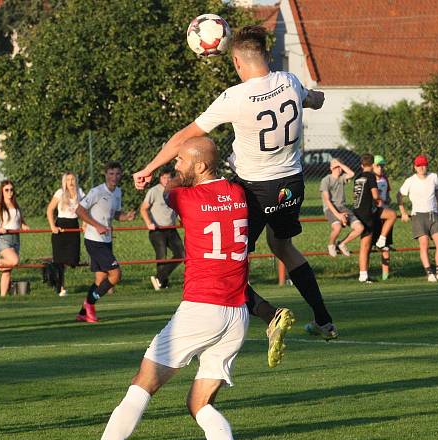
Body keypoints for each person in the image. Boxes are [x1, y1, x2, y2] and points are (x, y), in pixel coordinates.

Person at [59, 137, 293, 440]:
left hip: (201, 309)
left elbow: (170, 188)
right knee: (198, 402)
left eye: (182, 161)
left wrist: (149, 171)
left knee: (142, 384)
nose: (176, 167)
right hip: (236, 315)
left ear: (200, 166)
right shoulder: (238, 194)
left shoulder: (182, 196)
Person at [132, 25, 337, 341]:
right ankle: (323, 319)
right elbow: (314, 99)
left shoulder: (235, 97)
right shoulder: (289, 81)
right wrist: (317, 98)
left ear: (238, 63)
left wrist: (149, 167)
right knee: (282, 245)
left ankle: (270, 315)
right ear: (265, 55)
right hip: (292, 185)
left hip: (255, 190)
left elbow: (185, 137)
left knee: (228, 263)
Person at [75, 162, 136, 323]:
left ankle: (82, 313)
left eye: (117, 174)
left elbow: (116, 214)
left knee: (100, 279)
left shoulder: (118, 192)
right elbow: (79, 210)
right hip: (94, 240)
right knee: (116, 274)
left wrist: (126, 217)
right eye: (111, 173)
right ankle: (90, 303)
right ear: (105, 174)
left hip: (106, 240)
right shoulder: (96, 191)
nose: (114, 177)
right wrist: (97, 225)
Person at [397, 155, 438, 282]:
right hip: (418, 215)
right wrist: (403, 212)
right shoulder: (410, 181)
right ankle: (429, 273)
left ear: (427, 165)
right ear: (415, 167)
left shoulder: (433, 177)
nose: (421, 167)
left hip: (434, 213)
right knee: (424, 244)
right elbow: (399, 195)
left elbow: (437, 192)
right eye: (419, 165)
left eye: (424, 165)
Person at [140, 168, 185, 290]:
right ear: (160, 178)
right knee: (162, 255)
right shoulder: (154, 191)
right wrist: (149, 223)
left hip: (171, 228)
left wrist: (182, 220)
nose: (167, 180)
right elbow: (143, 208)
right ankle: (162, 283)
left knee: (181, 254)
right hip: (157, 229)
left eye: (169, 178)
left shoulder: (174, 191)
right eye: (164, 178)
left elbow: (177, 209)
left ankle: (159, 278)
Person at [46, 173, 85, 296]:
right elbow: (50, 209)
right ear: (65, 182)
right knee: (60, 260)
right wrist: (53, 226)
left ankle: (53, 277)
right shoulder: (60, 193)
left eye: (73, 179)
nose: (71, 182)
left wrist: (85, 224)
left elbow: (86, 209)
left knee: (72, 258)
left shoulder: (80, 193)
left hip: (74, 225)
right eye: (68, 180)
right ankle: (60, 287)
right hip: (61, 225)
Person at [0, 179, 30, 297]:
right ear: (2, 192)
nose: (10, 192)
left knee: (7, 270)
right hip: (3, 238)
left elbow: (20, 221)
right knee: (14, 261)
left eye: (11, 190)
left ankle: (3, 297)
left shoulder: (16, 205)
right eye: (7, 190)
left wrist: (24, 225)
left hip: (15, 238)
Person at [319, 158, 363, 257]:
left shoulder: (342, 178)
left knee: (359, 228)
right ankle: (331, 245)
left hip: (342, 207)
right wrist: (339, 215)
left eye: (340, 167)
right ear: (331, 168)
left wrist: (339, 164)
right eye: (335, 167)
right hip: (330, 209)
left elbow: (351, 174)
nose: (338, 169)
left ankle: (342, 243)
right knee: (337, 227)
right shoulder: (326, 180)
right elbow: (327, 200)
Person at [351, 153, 383, 283]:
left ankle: (364, 274)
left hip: (357, 211)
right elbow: (375, 195)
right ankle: (363, 275)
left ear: (361, 165)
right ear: (373, 164)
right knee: (365, 246)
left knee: (365, 245)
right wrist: (380, 200)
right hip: (367, 212)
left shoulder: (358, 177)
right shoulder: (370, 176)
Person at [371, 155, 396, 280]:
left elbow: (388, 195)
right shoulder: (370, 179)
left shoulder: (385, 179)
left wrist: (387, 201)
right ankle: (365, 273)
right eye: (378, 165)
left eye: (382, 165)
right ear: (372, 166)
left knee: (385, 246)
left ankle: (385, 275)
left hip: (385, 216)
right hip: (374, 215)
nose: (380, 168)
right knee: (369, 245)